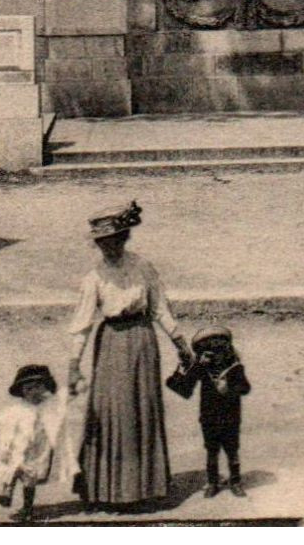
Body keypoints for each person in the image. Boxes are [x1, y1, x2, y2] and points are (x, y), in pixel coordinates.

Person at [65, 201, 192, 509]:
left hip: (142, 341)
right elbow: (82, 324)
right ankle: (106, 489)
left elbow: (161, 308)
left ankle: (142, 488)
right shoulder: (93, 277)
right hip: (110, 343)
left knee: (142, 409)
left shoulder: (143, 267)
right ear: (97, 244)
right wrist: (73, 365)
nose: (109, 246)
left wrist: (180, 343)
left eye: (114, 239)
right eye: (102, 242)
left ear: (124, 237)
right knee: (112, 412)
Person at [182, 326, 252, 499]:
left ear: (227, 350)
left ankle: (235, 481)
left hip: (230, 417)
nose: (215, 357)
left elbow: (245, 387)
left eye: (219, 351)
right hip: (209, 417)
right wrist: (195, 366)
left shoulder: (235, 368)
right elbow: (185, 386)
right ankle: (213, 482)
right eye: (209, 353)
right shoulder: (203, 369)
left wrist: (229, 388)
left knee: (232, 449)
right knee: (211, 450)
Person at [0, 363, 64, 522]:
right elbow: (8, 429)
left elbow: (56, 419)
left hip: (37, 452)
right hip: (18, 447)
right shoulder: (17, 410)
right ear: (22, 392)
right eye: (28, 389)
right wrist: (6, 446)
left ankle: (27, 508)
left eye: (38, 388)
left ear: (45, 390)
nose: (33, 393)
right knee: (12, 469)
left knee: (29, 480)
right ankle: (7, 492)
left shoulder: (48, 408)